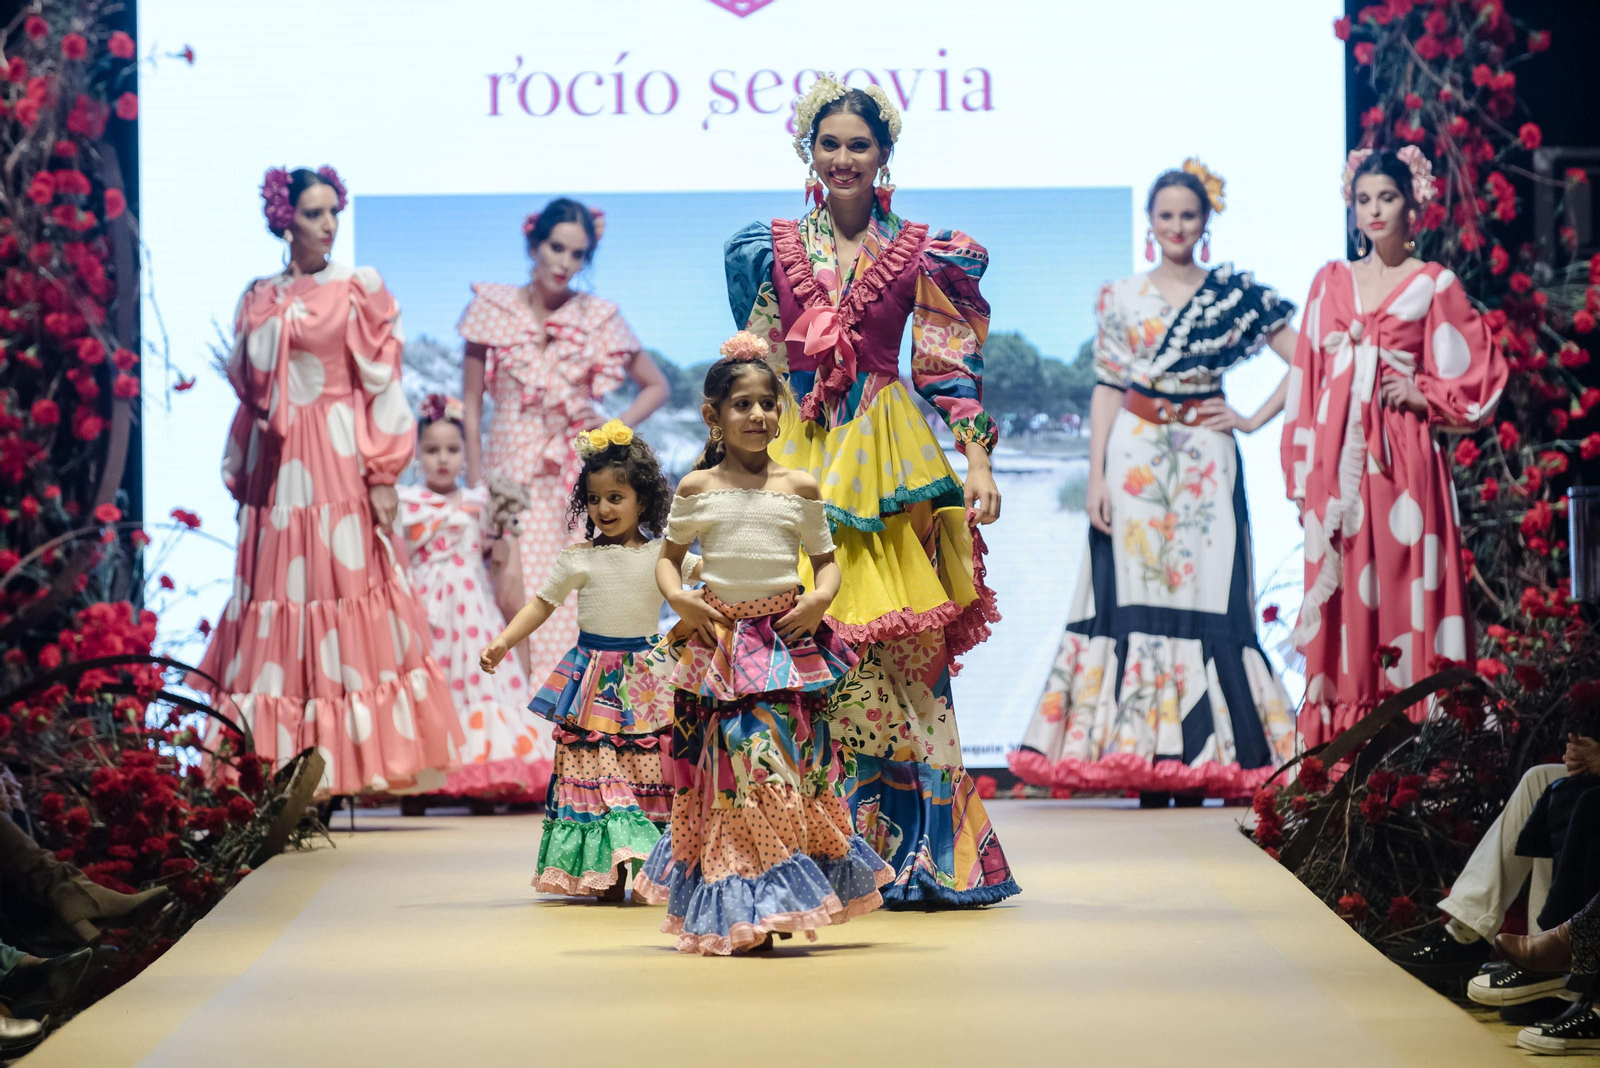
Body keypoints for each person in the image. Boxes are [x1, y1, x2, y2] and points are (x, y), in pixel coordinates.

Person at [724, 77, 1016, 906]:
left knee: (907, 656)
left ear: (883, 154)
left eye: (859, 144)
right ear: (808, 153)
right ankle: (808, 846)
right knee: (802, 653)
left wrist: (979, 462)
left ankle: (921, 851)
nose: (844, 157)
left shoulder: (924, 249)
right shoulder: (773, 245)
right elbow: (761, 361)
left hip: (891, 462)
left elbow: (950, 364)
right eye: (830, 144)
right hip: (802, 454)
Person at [1010, 161, 1299, 805]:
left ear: (1205, 222)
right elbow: (1108, 387)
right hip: (1135, 457)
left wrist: (1251, 419)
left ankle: (1208, 758)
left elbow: (1308, 358)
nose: (1176, 226)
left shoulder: (1234, 294)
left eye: (1188, 215)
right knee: (1133, 606)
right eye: (1165, 215)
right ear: (1149, 222)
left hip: (1206, 458)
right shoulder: (1120, 296)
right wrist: (1096, 478)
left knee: (1212, 604)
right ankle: (1143, 757)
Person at [190, 166, 462, 794]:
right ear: (284, 219)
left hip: (337, 457)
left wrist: (384, 470)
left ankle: (339, 764)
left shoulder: (355, 289)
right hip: (280, 471)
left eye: (333, 211)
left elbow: (380, 381)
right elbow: (248, 391)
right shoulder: (259, 293)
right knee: (278, 601)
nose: (329, 224)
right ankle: (275, 768)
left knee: (343, 592)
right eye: (314, 213)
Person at [633, 335, 890, 954]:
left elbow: (826, 564)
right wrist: (681, 600)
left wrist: (821, 598)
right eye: (742, 405)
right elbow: (667, 563)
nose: (757, 416)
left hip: (780, 642)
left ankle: (773, 898)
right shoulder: (696, 488)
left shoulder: (799, 487)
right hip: (721, 643)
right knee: (734, 771)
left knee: (777, 767)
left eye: (767, 405)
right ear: (713, 416)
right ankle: (745, 900)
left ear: (782, 412)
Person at [1282, 149, 1507, 746]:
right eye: (1364, 199)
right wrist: (1299, 469)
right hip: (1335, 467)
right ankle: (1345, 753)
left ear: (1413, 204)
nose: (1375, 210)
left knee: (1407, 583)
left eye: (1387, 197)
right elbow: (1305, 379)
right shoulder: (1329, 281)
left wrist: (1424, 392)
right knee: (1345, 593)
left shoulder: (1434, 283)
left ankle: (1419, 749)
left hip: (1402, 459)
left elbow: (1479, 376)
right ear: (1352, 208)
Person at [459, 200, 670, 684]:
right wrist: (474, 486)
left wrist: (608, 433)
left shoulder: (594, 318)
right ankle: (514, 722)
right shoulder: (492, 310)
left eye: (577, 255)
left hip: (571, 482)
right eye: (556, 248)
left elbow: (654, 385)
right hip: (505, 479)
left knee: (571, 593)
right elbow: (470, 408)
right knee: (508, 593)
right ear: (534, 244)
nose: (564, 262)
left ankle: (568, 718)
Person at [481, 421, 693, 900]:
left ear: (643, 499)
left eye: (616, 497)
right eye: (595, 499)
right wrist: (502, 642)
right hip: (592, 677)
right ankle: (606, 869)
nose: (604, 508)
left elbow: (708, 576)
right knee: (596, 771)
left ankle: (648, 869)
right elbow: (540, 604)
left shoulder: (664, 554)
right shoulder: (579, 558)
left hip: (646, 678)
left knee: (647, 772)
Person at [394, 395, 555, 805]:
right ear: (417, 454)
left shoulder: (480, 502)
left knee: (480, 682)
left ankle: (483, 777)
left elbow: (494, 556)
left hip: (472, 609)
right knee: (429, 685)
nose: (442, 459)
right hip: (424, 608)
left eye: (452, 449)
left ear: (466, 453)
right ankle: (421, 782)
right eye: (431, 450)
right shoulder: (405, 503)